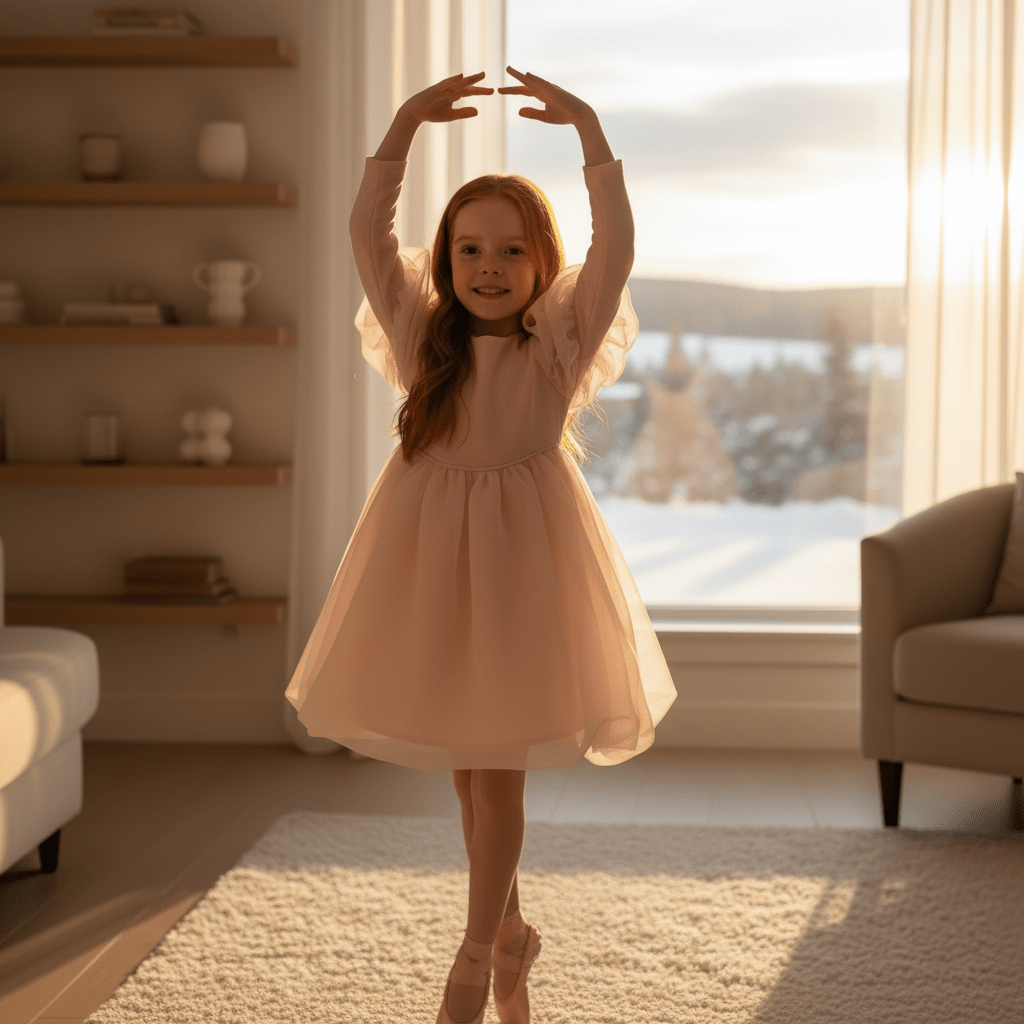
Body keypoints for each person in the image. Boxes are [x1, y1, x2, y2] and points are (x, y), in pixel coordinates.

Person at [285, 66, 677, 1024]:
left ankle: (472, 956)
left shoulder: (558, 345)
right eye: (470, 248)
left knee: (496, 776)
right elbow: (366, 235)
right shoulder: (421, 336)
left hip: (524, 570)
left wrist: (589, 132)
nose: (489, 267)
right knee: (470, 778)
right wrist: (403, 128)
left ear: (542, 266)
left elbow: (618, 245)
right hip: (429, 566)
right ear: (447, 258)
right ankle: (511, 940)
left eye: (510, 250)